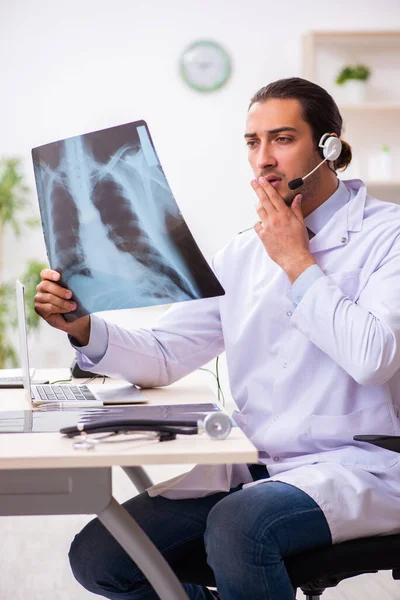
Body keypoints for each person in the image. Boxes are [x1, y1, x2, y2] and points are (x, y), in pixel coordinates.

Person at [34, 77, 400, 600]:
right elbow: (164, 354)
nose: (263, 159)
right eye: (252, 143)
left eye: (282, 139)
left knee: (239, 526)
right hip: (260, 461)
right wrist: (83, 327)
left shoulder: (389, 236)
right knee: (101, 557)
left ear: (330, 146)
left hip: (361, 464)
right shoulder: (243, 253)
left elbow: (372, 358)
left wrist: (297, 261)